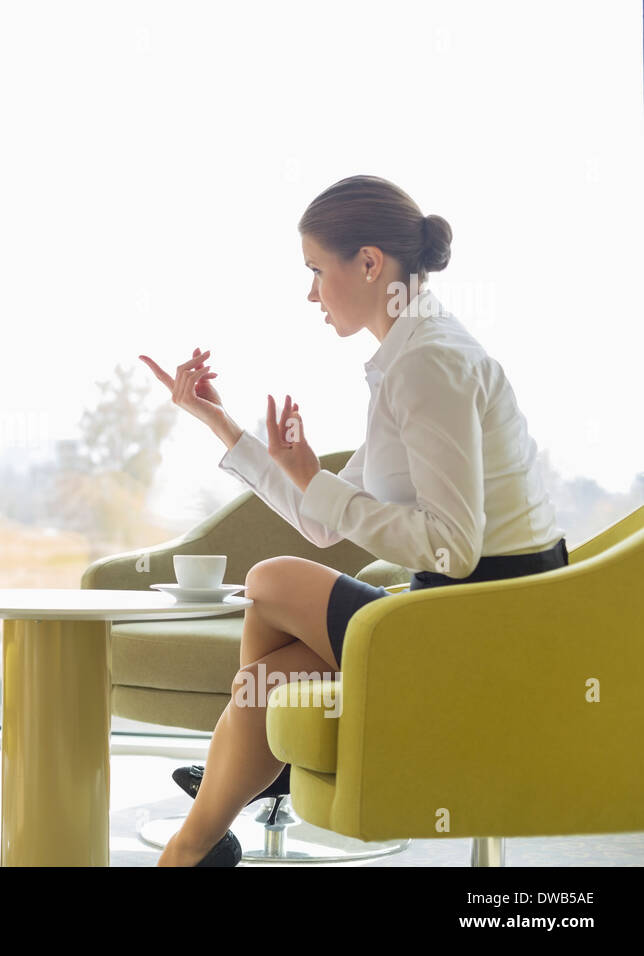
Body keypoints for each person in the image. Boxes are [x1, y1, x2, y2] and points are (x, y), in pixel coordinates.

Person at [138, 174, 568, 867]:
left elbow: (451, 549)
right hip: (460, 615)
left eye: (315, 270)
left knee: (271, 579)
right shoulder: (411, 354)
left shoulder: (429, 363)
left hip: (485, 630)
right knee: (271, 679)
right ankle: (205, 832)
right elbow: (324, 523)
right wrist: (220, 424)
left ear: (369, 264)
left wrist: (315, 480)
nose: (310, 293)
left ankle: (243, 781)